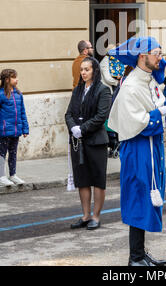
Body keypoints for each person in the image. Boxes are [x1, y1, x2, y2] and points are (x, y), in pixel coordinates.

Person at [108, 37, 166, 266]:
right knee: (139, 198)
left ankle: (140, 253)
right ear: (142, 55)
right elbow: (139, 121)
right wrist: (161, 113)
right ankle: (135, 258)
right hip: (138, 148)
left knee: (146, 199)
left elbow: (158, 100)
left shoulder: (148, 81)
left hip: (151, 146)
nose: (160, 57)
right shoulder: (130, 86)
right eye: (156, 53)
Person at [65, 56, 111, 230]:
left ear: (95, 71)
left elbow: (101, 116)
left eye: (87, 69)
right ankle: (85, 215)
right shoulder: (77, 90)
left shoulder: (103, 90)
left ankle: (96, 216)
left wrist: (82, 129)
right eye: (82, 70)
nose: (83, 73)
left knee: (98, 179)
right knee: (82, 179)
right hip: (78, 142)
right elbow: (68, 113)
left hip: (96, 141)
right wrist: (73, 128)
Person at [0, 69, 29, 187]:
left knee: (13, 153)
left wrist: (25, 129)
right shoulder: (1, 94)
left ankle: (13, 175)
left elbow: (22, 112)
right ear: (7, 80)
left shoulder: (18, 94)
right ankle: (1, 176)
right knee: (1, 154)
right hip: (3, 130)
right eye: (14, 77)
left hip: (16, 130)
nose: (17, 79)